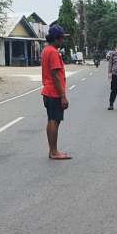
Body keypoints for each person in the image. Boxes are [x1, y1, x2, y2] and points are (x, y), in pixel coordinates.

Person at [41, 24, 71, 160]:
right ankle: (54, 151)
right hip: (53, 92)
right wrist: (63, 96)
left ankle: (52, 150)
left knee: (51, 120)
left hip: (47, 91)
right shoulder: (53, 52)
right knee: (55, 121)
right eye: (61, 38)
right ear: (56, 38)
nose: (62, 41)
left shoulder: (46, 50)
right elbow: (56, 76)